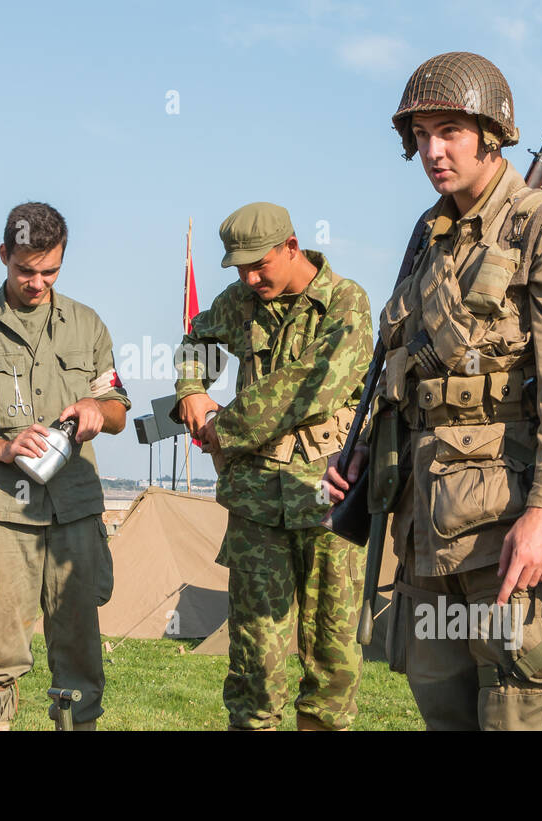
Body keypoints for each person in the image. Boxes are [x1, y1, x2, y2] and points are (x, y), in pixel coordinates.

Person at [325, 52, 542, 730]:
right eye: (422, 134)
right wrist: (364, 447)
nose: (432, 150)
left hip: (508, 522)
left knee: (521, 707)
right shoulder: (430, 236)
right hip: (427, 520)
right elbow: (405, 368)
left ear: (491, 132)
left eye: (449, 130)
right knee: (442, 708)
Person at [0, 202, 131, 731]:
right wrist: (3, 448)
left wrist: (95, 412)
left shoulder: (88, 325)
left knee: (80, 653)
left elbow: (120, 407)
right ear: (3, 256)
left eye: (50, 271)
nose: (37, 283)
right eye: (25, 270)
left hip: (77, 512)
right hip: (1, 517)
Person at [175, 202, 372, 730]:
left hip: (328, 495)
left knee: (332, 654)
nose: (249, 277)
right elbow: (194, 337)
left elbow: (309, 387)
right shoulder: (239, 301)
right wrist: (191, 389)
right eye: (239, 267)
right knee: (253, 655)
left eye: (259, 264)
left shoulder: (345, 302)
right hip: (256, 501)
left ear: (291, 246)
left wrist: (224, 427)